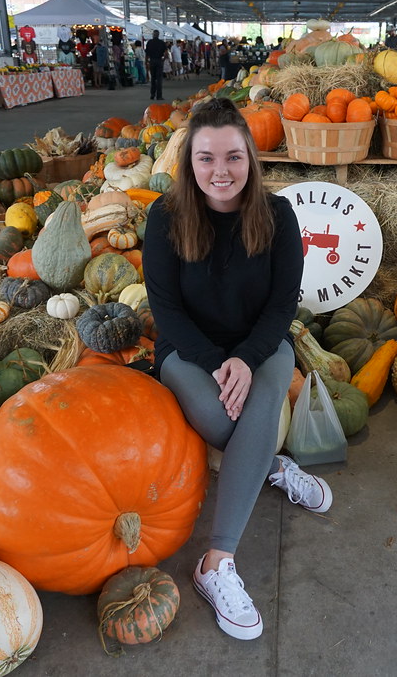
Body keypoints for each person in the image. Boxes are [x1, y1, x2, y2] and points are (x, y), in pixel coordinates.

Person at [143, 98, 331, 640]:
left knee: (263, 398)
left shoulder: (277, 216)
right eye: (206, 158)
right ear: (189, 163)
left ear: (251, 158)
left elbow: (281, 305)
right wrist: (217, 363)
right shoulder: (165, 218)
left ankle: (215, 562)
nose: (220, 171)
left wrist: (246, 361)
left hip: (262, 347)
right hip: (188, 351)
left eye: (232, 157)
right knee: (226, 426)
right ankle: (269, 466)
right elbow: (167, 312)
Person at [145, 29, 167, 100]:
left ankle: (152, 94)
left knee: (153, 78)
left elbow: (147, 54)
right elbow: (166, 53)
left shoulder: (149, 42)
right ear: (158, 35)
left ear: (153, 34)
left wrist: (146, 62)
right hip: (159, 61)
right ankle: (159, 96)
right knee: (159, 79)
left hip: (152, 61)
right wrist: (163, 59)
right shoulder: (162, 43)